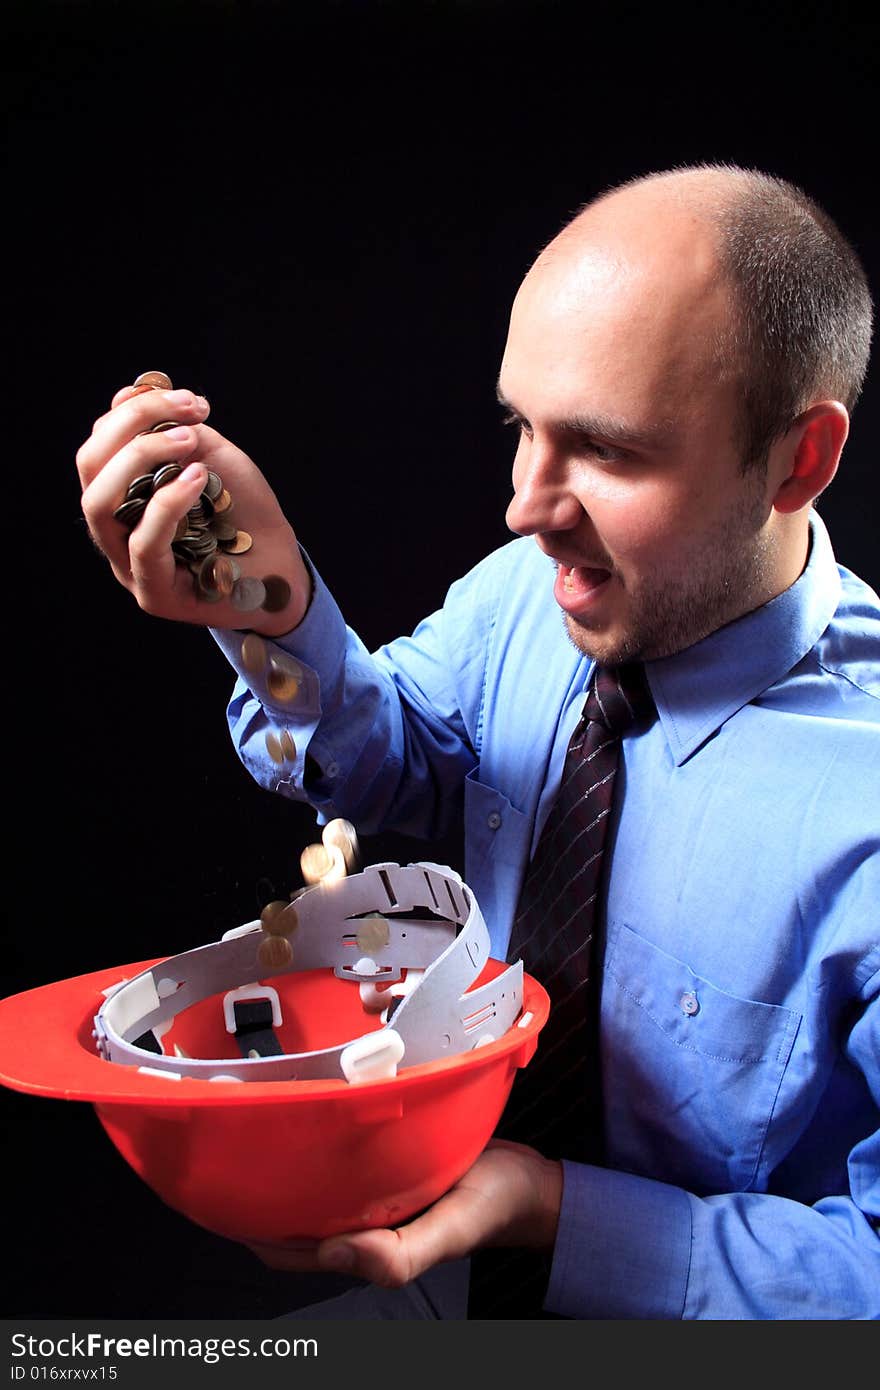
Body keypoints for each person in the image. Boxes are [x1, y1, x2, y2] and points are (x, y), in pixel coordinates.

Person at [76, 163, 879, 1320]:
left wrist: (550, 1211)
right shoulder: (530, 594)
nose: (523, 504)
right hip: (443, 1300)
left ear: (798, 460)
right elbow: (386, 758)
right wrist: (266, 602)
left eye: (607, 450)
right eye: (522, 427)